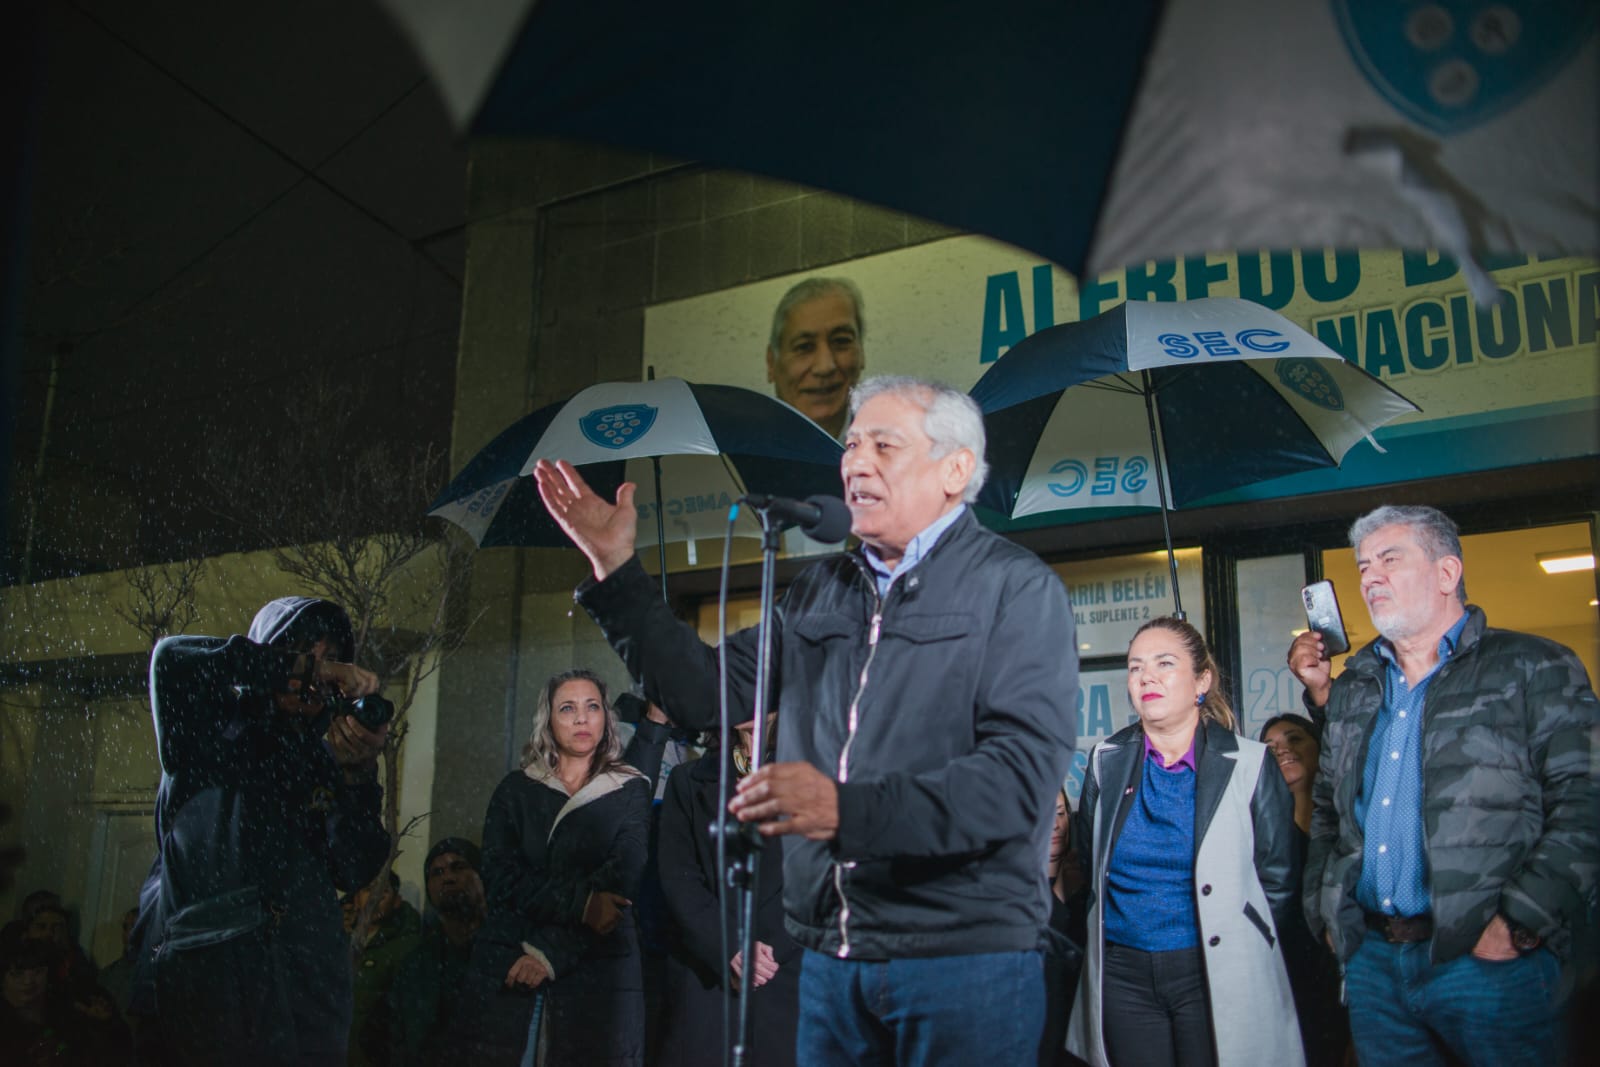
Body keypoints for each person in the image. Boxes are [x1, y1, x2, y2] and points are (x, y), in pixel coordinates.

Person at [534, 374, 1079, 1065]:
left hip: (962, 958)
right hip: (831, 959)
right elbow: (704, 693)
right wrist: (618, 572)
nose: (855, 461)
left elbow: (1016, 782)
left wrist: (846, 810)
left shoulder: (1017, 589)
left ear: (955, 469)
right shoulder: (824, 590)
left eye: (885, 444)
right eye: (852, 444)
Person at [1289, 504, 1599, 1066]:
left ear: (1446, 573)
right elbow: (1330, 813)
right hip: (1375, 961)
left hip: (1493, 962)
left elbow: (1586, 800)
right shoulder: (1356, 683)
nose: (1369, 577)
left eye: (1389, 558)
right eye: (1362, 566)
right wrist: (1328, 915)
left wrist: (1519, 921)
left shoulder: (1533, 665)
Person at [129, 596, 392, 1066]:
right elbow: (171, 659)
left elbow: (354, 866)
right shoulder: (210, 726)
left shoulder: (320, 760)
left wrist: (358, 775)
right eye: (303, 651)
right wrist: (304, 668)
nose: (317, 673)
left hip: (303, 1000)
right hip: (212, 990)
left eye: (330, 656)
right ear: (268, 655)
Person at [1068, 617, 1302, 1067]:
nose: (1146, 677)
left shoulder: (1250, 763)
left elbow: (1278, 880)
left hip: (1214, 971)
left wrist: (1243, 941)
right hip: (1123, 976)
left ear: (1202, 680)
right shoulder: (1105, 761)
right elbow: (1088, 859)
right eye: (1135, 668)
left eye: (1164, 663)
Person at [449, 669, 651, 1066]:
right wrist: (581, 905)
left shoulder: (630, 788)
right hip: (513, 961)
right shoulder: (516, 790)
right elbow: (501, 876)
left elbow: (620, 881)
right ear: (548, 719)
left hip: (597, 970)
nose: (581, 718)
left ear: (606, 719)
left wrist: (547, 953)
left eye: (592, 707)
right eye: (568, 708)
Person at [656, 715, 801, 1067]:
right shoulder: (687, 781)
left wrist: (764, 957)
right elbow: (678, 878)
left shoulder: (812, 780)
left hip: (785, 973)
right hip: (707, 975)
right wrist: (731, 947)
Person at [1260, 714, 1350, 1067]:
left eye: (1295, 739)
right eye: (1271, 749)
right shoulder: (1259, 842)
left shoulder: (1349, 830)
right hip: (1292, 995)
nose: (1283, 751)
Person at [387, 838, 487, 1067]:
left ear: (482, 876)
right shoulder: (416, 966)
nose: (448, 878)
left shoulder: (511, 953)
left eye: (458, 867)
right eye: (437, 872)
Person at [764, 277, 867, 438]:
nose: (825, 367)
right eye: (804, 347)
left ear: (862, 353)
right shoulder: (737, 456)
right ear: (771, 363)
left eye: (841, 341)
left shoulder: (905, 449)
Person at [348, 871, 423, 1067]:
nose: (375, 895)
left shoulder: (409, 947)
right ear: (356, 899)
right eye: (368, 889)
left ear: (397, 901)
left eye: (384, 891)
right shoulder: (340, 943)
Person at [1040, 789, 1085, 1067]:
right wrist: (1059, 893)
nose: (1056, 825)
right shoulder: (1015, 887)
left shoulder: (1088, 878)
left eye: (1060, 814)